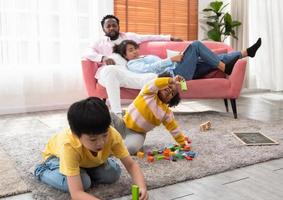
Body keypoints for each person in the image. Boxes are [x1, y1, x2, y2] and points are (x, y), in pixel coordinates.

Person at [34, 97, 148, 200]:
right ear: (76, 135)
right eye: (93, 139)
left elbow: (131, 165)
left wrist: (142, 187)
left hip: (86, 161)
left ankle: (84, 170)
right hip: (56, 158)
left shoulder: (112, 134)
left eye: (104, 135)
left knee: (113, 174)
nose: (101, 143)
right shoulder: (69, 145)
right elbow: (76, 193)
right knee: (84, 183)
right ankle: (41, 171)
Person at [82, 14, 182, 116]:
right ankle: (117, 114)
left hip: (127, 72)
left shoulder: (129, 37)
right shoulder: (99, 42)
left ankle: (151, 112)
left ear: (118, 26)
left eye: (114, 25)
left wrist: (170, 37)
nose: (111, 28)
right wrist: (103, 58)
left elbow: (149, 37)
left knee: (152, 77)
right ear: (103, 29)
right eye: (108, 26)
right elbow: (86, 52)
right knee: (110, 71)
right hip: (107, 72)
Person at [111, 73, 190, 155]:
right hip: (123, 123)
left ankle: (115, 147)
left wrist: (183, 143)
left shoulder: (166, 113)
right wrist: (171, 80)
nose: (170, 90)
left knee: (131, 149)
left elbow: (174, 129)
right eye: (169, 86)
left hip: (137, 133)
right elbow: (154, 83)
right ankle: (104, 136)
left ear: (171, 101)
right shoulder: (148, 92)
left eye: (172, 93)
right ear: (161, 84)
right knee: (108, 115)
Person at [113, 38, 262, 80]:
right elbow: (149, 69)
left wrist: (179, 58)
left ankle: (246, 52)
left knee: (214, 58)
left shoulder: (144, 56)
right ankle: (224, 68)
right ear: (125, 55)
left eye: (135, 48)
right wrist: (172, 60)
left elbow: (158, 64)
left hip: (182, 69)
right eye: (130, 50)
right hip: (176, 74)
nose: (134, 52)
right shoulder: (132, 64)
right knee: (196, 45)